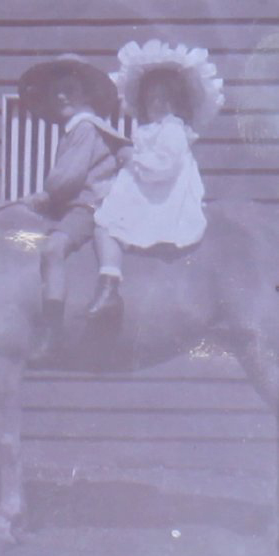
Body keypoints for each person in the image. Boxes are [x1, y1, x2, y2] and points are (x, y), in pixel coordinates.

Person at [89, 40, 224, 316]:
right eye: (151, 99)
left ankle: (110, 283)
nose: (158, 104)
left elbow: (164, 166)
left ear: (178, 104)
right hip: (144, 184)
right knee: (104, 219)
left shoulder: (173, 130)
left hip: (163, 187)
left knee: (108, 222)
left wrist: (133, 159)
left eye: (166, 99)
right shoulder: (149, 130)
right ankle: (109, 282)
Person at [18, 54, 128, 355]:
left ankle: (53, 332)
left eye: (70, 89)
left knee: (52, 249)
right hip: (82, 203)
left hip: (90, 206)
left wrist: (44, 196)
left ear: (87, 95)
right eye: (56, 92)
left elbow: (68, 179)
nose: (62, 96)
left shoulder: (84, 128)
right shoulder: (84, 128)